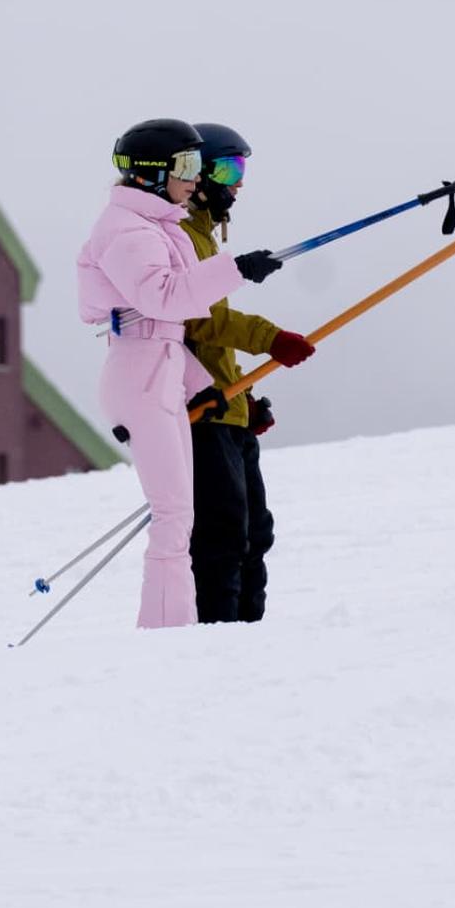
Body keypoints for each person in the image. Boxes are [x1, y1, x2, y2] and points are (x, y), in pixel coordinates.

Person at [77, 118, 282, 629]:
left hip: (178, 380)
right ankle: (182, 637)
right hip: (148, 381)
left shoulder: (166, 230)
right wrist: (243, 280)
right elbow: (176, 305)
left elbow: (173, 331)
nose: (232, 181)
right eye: (193, 166)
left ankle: (223, 634)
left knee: (237, 530)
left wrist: (222, 394)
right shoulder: (135, 231)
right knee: (197, 527)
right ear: (153, 174)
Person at [182, 122, 315, 623]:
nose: (237, 182)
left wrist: (245, 403)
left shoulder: (204, 237)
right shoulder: (180, 238)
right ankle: (216, 639)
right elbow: (200, 320)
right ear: (196, 174)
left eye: (240, 169)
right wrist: (270, 338)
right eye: (227, 168)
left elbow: (210, 345)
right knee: (222, 537)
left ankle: (249, 638)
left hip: (226, 412)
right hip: (202, 418)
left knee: (254, 533)